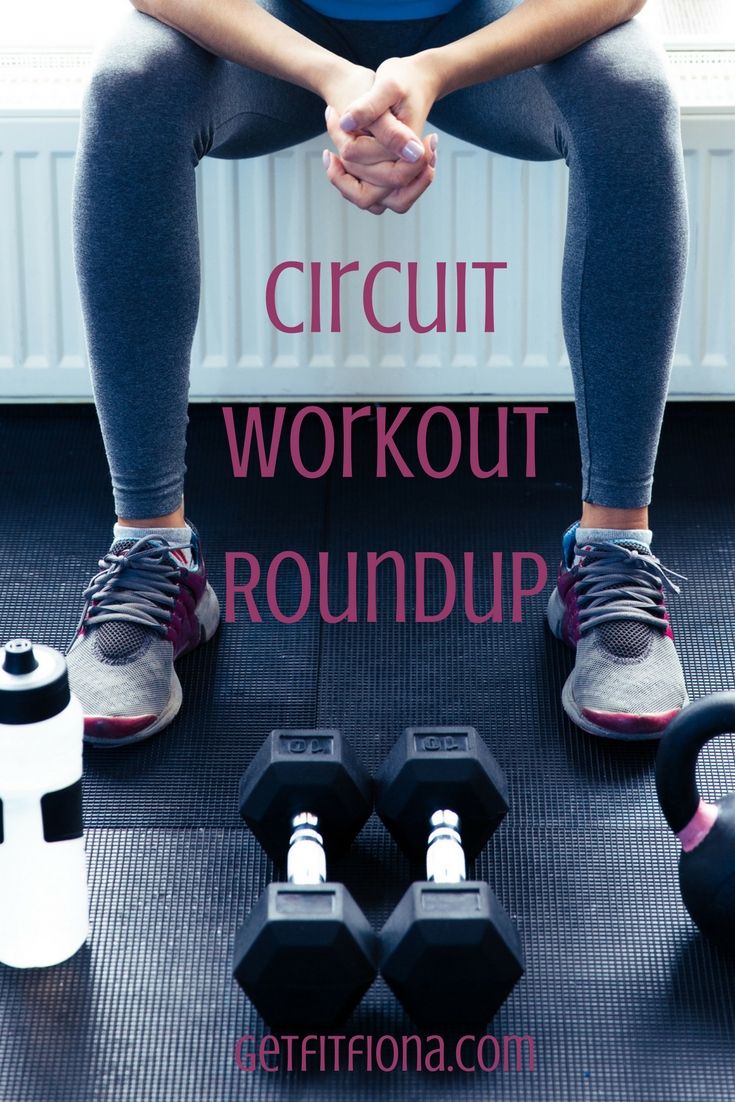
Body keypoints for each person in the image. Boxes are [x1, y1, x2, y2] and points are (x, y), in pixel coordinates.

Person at [67, 0, 689, 746]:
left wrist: (432, 69)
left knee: (630, 85)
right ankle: (151, 553)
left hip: (480, 26)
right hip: (278, 28)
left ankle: (613, 551)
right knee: (130, 79)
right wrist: (330, 75)